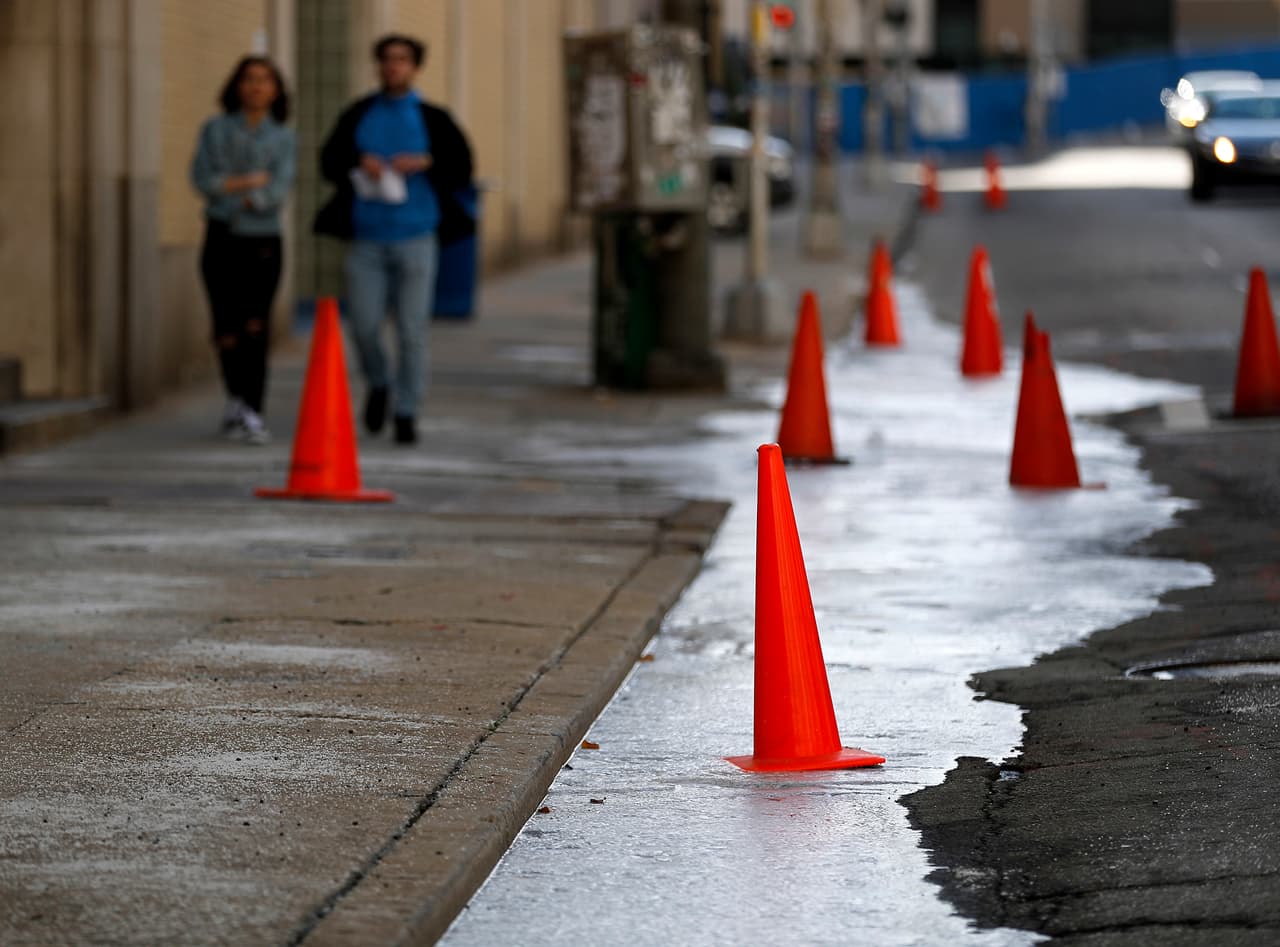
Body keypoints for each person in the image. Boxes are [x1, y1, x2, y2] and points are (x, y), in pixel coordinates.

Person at [315, 33, 474, 445]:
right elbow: (328, 161)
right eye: (386, 59)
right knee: (365, 325)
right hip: (367, 237)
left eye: (402, 60)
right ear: (378, 66)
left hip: (417, 235)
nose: (393, 67)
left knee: (411, 330)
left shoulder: (433, 117)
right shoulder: (359, 114)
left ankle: (406, 411)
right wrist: (357, 161)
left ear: (415, 67)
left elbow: (462, 167)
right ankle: (380, 381)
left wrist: (426, 161)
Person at [190, 55, 296, 445]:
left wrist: (236, 188)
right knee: (225, 327)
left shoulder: (283, 137)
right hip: (221, 237)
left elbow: (277, 190)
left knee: (255, 324)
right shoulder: (215, 130)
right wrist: (248, 182)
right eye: (249, 79)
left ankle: (254, 406)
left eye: (265, 80)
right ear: (237, 85)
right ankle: (234, 398)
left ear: (276, 90)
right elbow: (204, 180)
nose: (256, 87)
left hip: (263, 242)